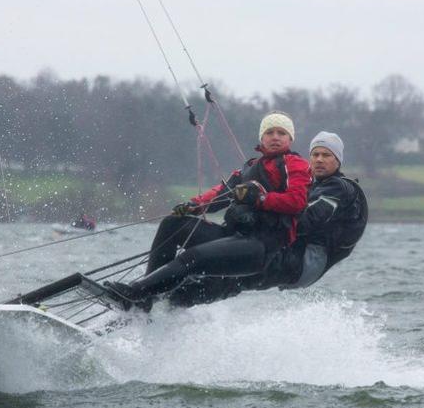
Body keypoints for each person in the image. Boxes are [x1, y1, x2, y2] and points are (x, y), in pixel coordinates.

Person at [106, 111, 312, 310]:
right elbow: (221, 193)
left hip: (260, 246)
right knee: (173, 225)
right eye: (270, 132)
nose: (275, 137)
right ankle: (145, 298)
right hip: (234, 236)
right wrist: (194, 205)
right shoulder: (249, 167)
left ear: (290, 138)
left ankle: (136, 292)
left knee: (194, 257)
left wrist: (260, 198)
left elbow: (297, 201)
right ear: (262, 137)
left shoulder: (295, 164)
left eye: (281, 133)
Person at [166, 131, 369, 307]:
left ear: (338, 160)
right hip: (289, 252)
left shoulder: (339, 188)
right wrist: (196, 205)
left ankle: (166, 301)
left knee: (232, 274)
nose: (319, 159)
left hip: (307, 261)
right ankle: (169, 306)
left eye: (326, 155)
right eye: (315, 154)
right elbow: (225, 194)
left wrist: (259, 205)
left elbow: (305, 223)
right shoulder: (309, 185)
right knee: (221, 273)